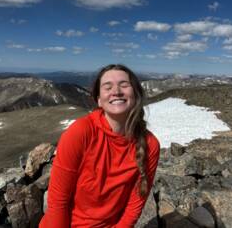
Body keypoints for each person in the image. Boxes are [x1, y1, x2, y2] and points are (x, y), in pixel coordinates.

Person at [39, 64, 160, 227]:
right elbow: (58, 201)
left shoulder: (150, 145)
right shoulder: (80, 132)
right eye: (107, 87)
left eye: (124, 85)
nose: (116, 91)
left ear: (136, 95)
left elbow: (135, 204)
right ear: (99, 100)